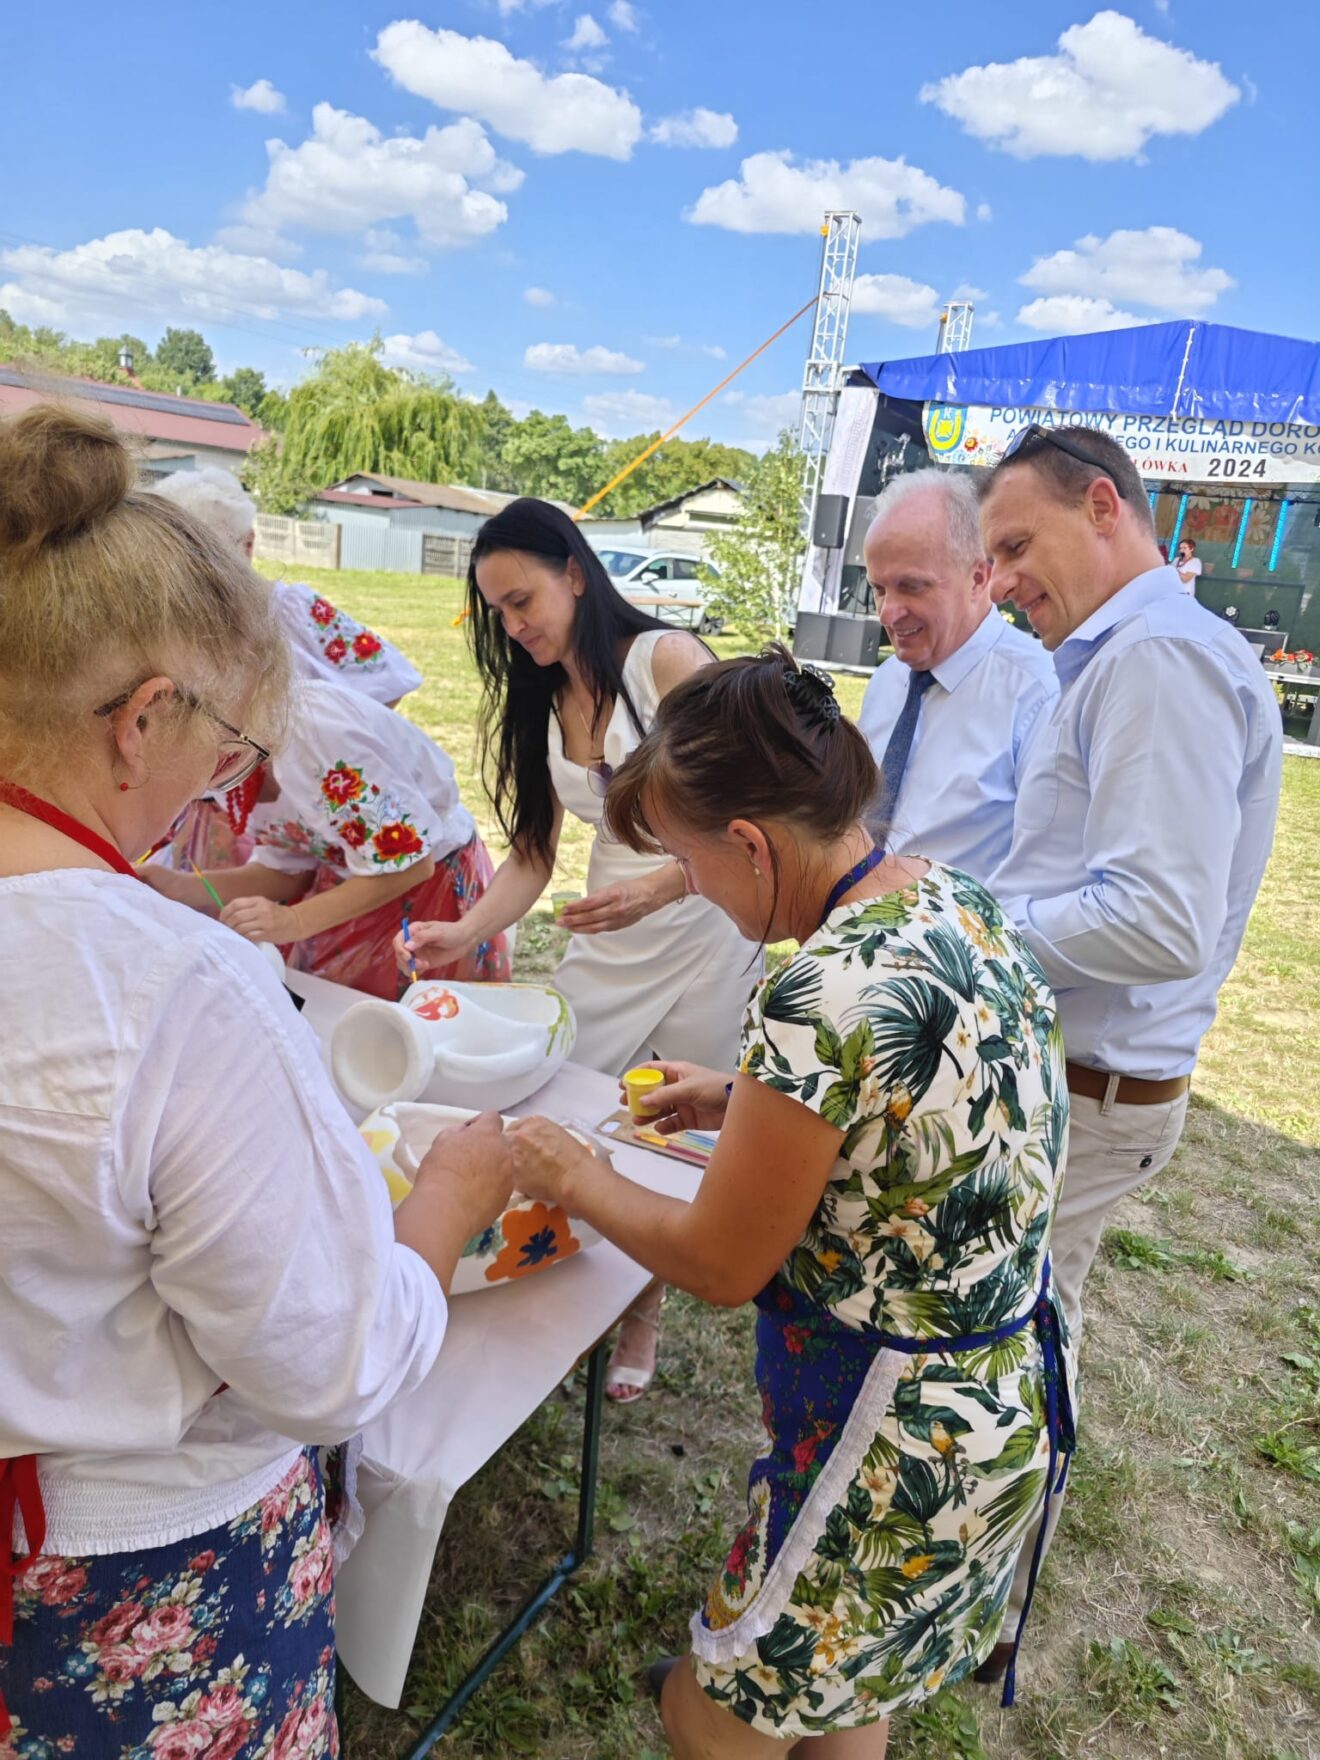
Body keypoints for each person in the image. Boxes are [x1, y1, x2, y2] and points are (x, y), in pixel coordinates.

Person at [0, 404, 514, 1753]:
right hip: (131, 1571)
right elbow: (322, 1365)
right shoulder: (174, 992)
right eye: (218, 743)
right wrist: (444, 1207)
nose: (222, 775)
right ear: (140, 719)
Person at [505, 648, 1073, 1755]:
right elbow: (926, 1093)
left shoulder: (816, 988)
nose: (698, 889)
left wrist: (579, 1175)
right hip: (996, 1409)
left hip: (885, 1438)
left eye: (688, 861)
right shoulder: (953, 898)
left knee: (705, 1709)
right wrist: (748, 1095)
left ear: (752, 845)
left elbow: (723, 1263)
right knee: (849, 1689)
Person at [975, 422, 1282, 1681]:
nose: (997, 582)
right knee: (1018, 1322)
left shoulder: (1158, 658)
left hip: (1092, 1093)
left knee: (1019, 1333)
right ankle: (981, 1580)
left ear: (1104, 505)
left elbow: (1158, 916)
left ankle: (988, 1597)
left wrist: (969, 926)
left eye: (1013, 546)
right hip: (1073, 1074)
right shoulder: (1114, 656)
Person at [400, 498, 762, 1404]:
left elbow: (752, 815)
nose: (516, 628)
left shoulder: (666, 660)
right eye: (501, 615)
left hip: (708, 918)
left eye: (524, 601)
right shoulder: (539, 695)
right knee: (564, 1097)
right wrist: (467, 930)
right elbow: (531, 856)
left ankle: (641, 1312)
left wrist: (663, 884)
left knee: (671, 1121)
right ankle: (548, 1278)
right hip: (612, 927)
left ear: (575, 571)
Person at [144, 675, 509, 1000]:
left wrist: (293, 922)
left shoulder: (310, 733)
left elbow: (409, 866)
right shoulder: (238, 763)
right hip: (353, 894)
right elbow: (291, 872)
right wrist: (180, 886)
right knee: (340, 1020)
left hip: (426, 899)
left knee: (418, 1025)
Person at [147, 468, 423, 874]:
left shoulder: (294, 609)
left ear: (249, 546)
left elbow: (386, 681)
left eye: (212, 562)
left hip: (311, 813)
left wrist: (324, 760)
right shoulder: (172, 627)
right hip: (222, 813)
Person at [857, 468, 1057, 883]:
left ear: (979, 577)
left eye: (912, 587)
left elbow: (1047, 876)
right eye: (879, 588)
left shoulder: (1040, 695)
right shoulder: (887, 681)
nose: (888, 613)